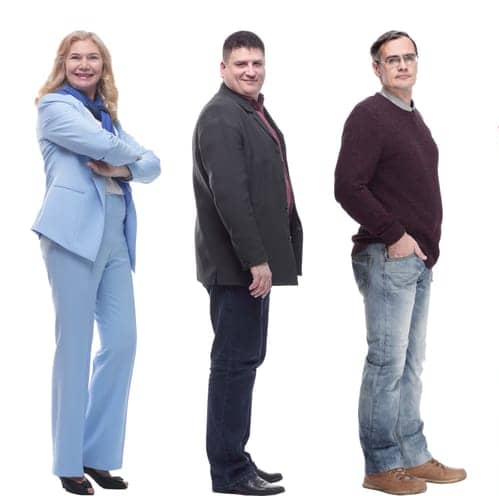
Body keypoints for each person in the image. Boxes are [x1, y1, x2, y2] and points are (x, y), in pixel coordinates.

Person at [333, 30, 467, 495]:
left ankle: (412, 453)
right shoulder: (370, 115)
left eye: (409, 57)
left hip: (418, 260)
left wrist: (421, 246)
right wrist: (396, 236)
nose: (403, 65)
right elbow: (348, 186)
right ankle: (380, 465)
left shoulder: (412, 117)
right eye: (393, 60)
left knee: (411, 363)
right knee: (386, 363)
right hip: (387, 255)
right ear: (377, 68)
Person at [34, 30, 161, 496]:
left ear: (103, 66)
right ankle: (68, 463)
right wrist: (129, 158)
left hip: (115, 239)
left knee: (122, 344)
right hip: (71, 235)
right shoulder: (54, 107)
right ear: (63, 64)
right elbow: (100, 146)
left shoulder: (106, 116)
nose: (83, 64)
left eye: (92, 58)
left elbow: (154, 166)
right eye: (75, 58)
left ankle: (98, 455)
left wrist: (125, 165)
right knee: (74, 348)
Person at [192, 30, 300, 496]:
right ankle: (229, 471)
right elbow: (230, 196)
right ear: (223, 68)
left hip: (253, 266)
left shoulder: (249, 109)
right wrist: (256, 259)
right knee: (234, 363)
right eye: (240, 64)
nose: (250, 70)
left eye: (257, 62)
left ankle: (237, 457)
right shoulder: (220, 116)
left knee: (247, 359)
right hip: (238, 267)